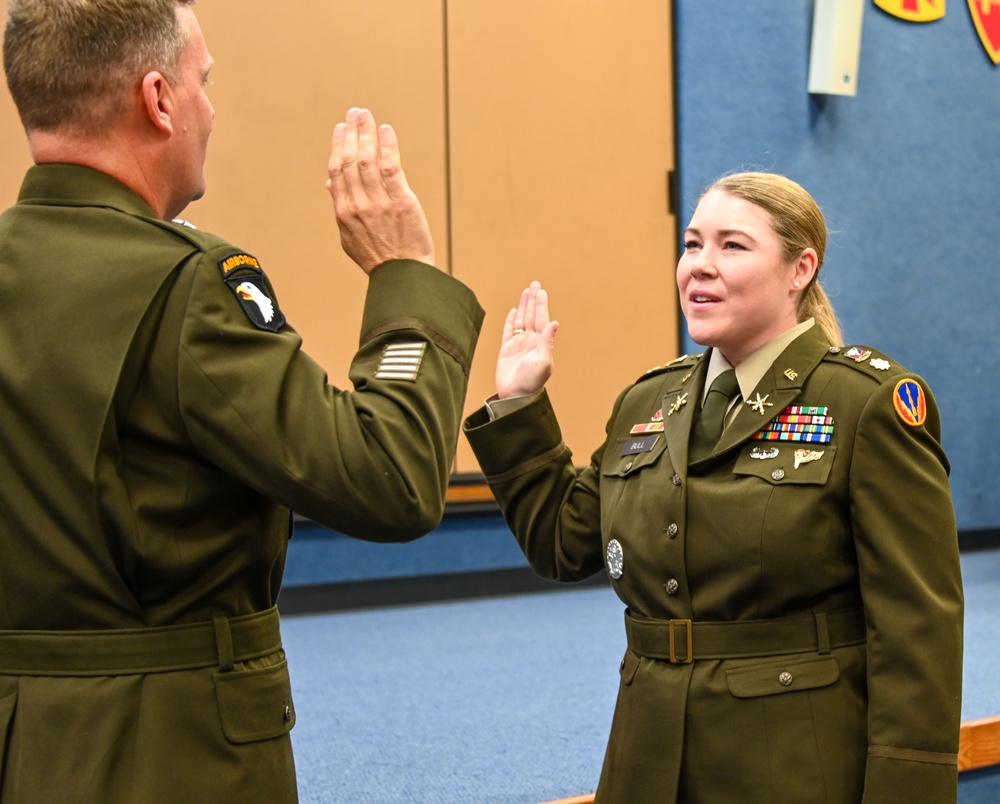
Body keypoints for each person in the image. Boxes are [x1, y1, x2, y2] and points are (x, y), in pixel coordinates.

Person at [0, 1, 484, 801]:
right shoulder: (190, 285)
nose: (210, 109)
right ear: (158, 100)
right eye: (204, 82)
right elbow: (387, 482)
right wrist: (407, 278)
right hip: (166, 751)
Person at [463, 172, 963, 803]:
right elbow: (564, 544)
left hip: (790, 763)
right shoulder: (650, 400)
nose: (699, 266)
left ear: (799, 269)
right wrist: (520, 404)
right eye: (692, 244)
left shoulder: (865, 405)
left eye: (732, 246)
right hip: (647, 756)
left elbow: (919, 629)